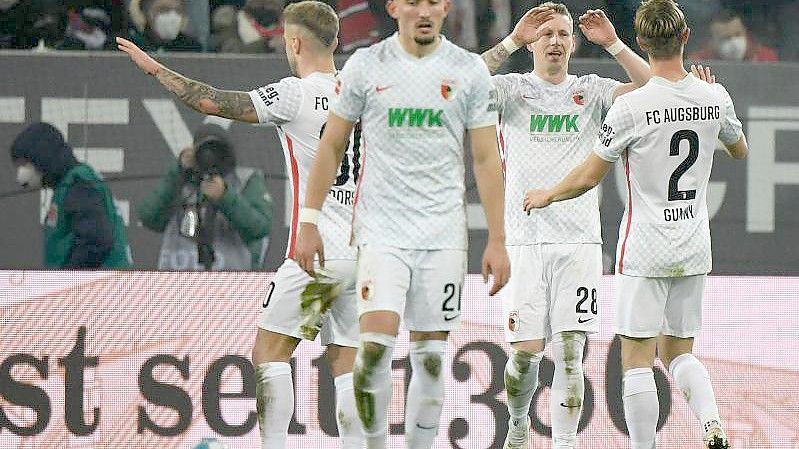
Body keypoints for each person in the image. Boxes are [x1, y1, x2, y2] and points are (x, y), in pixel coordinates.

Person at [116, 1, 365, 448]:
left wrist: (157, 71)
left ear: (294, 42)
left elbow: (213, 101)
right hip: (360, 254)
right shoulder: (362, 93)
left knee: (270, 353)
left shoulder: (296, 93)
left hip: (316, 253)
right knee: (345, 362)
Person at [523, 1, 747, 448]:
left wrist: (547, 194)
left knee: (638, 359)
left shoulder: (631, 108)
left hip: (644, 247)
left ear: (643, 43)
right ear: (685, 37)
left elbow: (588, 176)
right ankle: (711, 420)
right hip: (693, 244)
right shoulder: (713, 96)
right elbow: (739, 149)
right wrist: (711, 102)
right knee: (680, 352)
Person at [294, 1, 510, 448]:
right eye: (412, 2)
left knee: (430, 362)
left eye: (432, 1)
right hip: (381, 235)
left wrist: (498, 239)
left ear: (445, 7)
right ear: (394, 7)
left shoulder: (468, 70)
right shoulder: (366, 66)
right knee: (372, 354)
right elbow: (332, 145)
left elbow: (487, 159)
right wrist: (309, 221)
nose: (423, 11)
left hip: (442, 237)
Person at [478, 3, 651, 448]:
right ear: (533, 42)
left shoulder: (592, 91)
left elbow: (654, 89)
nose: (554, 41)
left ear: (574, 43)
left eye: (562, 34)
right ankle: (518, 425)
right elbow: (458, 85)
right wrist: (510, 41)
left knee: (571, 355)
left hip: (578, 241)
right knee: (524, 359)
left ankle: (564, 444)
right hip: (523, 241)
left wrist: (612, 43)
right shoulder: (511, 89)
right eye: (545, 34)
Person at [137, 124, 273, 270]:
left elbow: (260, 227)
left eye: (216, 151)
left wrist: (225, 196)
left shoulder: (245, 180)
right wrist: (178, 171)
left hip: (231, 283)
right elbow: (148, 218)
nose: (210, 157)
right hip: (177, 281)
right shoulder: (179, 180)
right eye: (205, 151)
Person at [9, 122, 132, 269]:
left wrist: (66, 278)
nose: (21, 173)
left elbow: (95, 241)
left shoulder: (78, 183)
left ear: (42, 157)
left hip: (99, 287)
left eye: (25, 163)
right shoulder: (68, 184)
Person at [688, 8, 778, 62]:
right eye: (725, 38)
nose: (734, 43)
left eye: (737, 35)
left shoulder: (766, 58)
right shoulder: (698, 62)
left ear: (745, 32)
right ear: (711, 41)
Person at [127, 0, 202, 52]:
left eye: (178, 10)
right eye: (163, 9)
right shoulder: (129, 46)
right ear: (146, 13)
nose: (173, 16)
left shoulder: (192, 48)